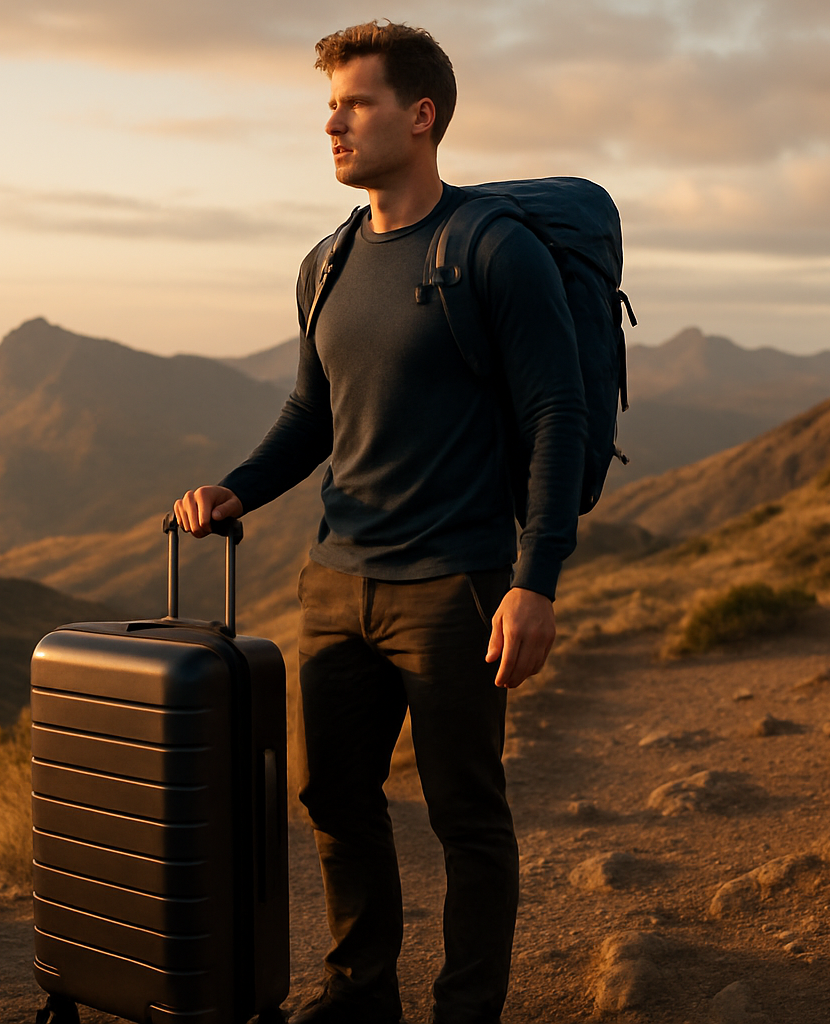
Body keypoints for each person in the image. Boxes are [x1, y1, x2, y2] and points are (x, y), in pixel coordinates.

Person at [174, 20, 586, 1024]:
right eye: (330, 105)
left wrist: (536, 581)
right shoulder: (327, 260)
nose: (332, 124)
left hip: (457, 585)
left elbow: (555, 417)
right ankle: (361, 994)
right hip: (336, 580)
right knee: (333, 801)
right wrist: (237, 487)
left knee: (465, 817)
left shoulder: (494, 253)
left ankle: (466, 1009)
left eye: (354, 104)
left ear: (421, 115)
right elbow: (313, 414)